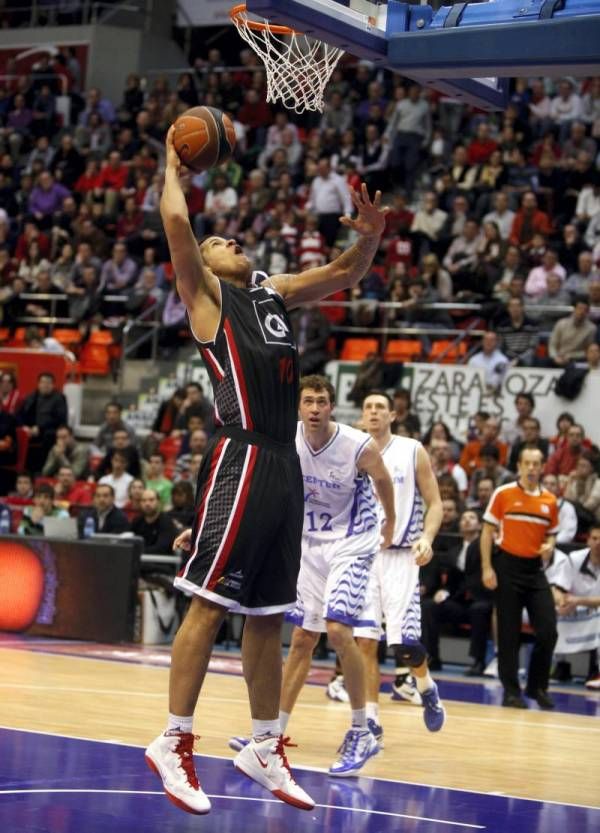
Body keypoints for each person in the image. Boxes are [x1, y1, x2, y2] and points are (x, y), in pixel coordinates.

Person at [145, 126, 390, 815]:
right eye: (217, 240)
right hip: (242, 453)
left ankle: (263, 742)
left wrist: (369, 234)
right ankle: (173, 738)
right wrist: (172, 163)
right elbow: (174, 222)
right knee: (210, 601)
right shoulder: (208, 301)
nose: (228, 241)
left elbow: (345, 273)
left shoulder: (271, 293)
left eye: (230, 240)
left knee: (265, 614)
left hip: (284, 462)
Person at [228, 375, 395, 773]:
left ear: (332, 406)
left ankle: (362, 731)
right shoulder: (287, 439)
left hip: (353, 541)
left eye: (322, 401)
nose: (316, 408)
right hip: (309, 543)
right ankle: (272, 735)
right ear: (298, 408)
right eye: (309, 402)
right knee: (302, 638)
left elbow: (384, 480)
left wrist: (389, 524)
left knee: (338, 631)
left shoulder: (357, 445)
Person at [355, 391, 446, 737]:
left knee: (405, 645)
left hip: (402, 557)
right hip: (363, 556)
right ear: (362, 416)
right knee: (364, 641)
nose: (374, 412)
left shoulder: (412, 450)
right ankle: (371, 720)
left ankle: (425, 687)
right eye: (368, 407)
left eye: (380, 407)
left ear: (392, 415)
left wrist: (427, 538)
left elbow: (435, 503)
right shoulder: (351, 448)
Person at [481, 448, 559, 709]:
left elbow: (552, 533)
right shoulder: (503, 494)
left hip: (535, 570)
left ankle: (537, 688)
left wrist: (550, 544)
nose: (532, 468)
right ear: (519, 466)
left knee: (548, 630)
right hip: (506, 566)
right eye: (527, 463)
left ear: (543, 467)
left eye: (536, 463)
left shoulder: (550, 500)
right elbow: (487, 531)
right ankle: (511, 691)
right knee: (508, 634)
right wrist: (486, 568)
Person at [421, 511, 493, 675]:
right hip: (459, 601)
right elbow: (452, 582)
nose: (467, 520)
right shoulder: (454, 551)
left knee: (479, 609)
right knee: (429, 606)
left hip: (482, 599)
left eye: (472, 517)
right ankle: (432, 656)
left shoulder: (487, 547)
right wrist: (444, 591)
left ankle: (478, 661)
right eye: (464, 518)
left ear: (480, 525)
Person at [546, 525, 600, 690]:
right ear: (588, 540)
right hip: (576, 606)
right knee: (551, 611)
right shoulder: (575, 558)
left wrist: (578, 601)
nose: (598, 543)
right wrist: (561, 602)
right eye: (595, 538)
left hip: (593, 606)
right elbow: (558, 589)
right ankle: (559, 666)